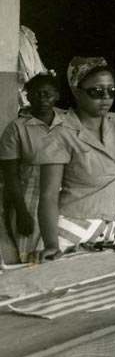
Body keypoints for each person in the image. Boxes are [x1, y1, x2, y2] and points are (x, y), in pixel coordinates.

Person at [35, 57, 115, 258]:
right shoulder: (60, 135)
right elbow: (48, 196)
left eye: (111, 91)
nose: (105, 97)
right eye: (96, 91)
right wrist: (52, 244)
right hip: (71, 230)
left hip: (109, 229)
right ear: (77, 92)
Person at [1, 73, 65, 262]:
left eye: (48, 94)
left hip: (65, 197)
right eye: (36, 94)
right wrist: (22, 213)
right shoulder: (17, 128)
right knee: (31, 259)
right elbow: (11, 175)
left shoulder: (69, 122)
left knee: (60, 258)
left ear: (57, 96)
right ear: (28, 97)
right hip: (29, 199)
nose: (43, 99)